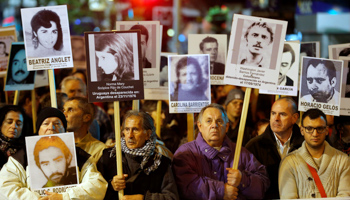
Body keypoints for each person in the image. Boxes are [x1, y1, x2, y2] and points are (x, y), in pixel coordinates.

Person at [0, 107, 108, 199]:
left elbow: (97, 186)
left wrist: (64, 197)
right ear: (38, 130)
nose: (51, 128)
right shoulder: (21, 157)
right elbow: (5, 186)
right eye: (45, 123)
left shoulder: (80, 156)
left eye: (57, 123)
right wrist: (36, 199)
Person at [172, 103, 269, 200]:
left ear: (226, 127)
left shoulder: (240, 152)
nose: (214, 125)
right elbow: (186, 187)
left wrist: (243, 180)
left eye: (219, 121)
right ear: (200, 126)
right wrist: (222, 191)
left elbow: (263, 184)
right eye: (209, 121)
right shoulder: (186, 153)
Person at [98, 110, 179, 199]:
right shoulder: (109, 157)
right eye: (127, 129)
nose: (130, 135)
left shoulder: (160, 163)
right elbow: (94, 192)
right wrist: (111, 186)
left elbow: (172, 197)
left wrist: (144, 198)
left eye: (135, 130)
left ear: (148, 134)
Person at [279, 108, 350, 198]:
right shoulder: (289, 162)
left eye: (319, 128)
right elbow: (288, 198)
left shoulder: (343, 160)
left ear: (327, 130)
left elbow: (345, 196)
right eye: (309, 128)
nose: (315, 134)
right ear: (302, 130)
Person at [245, 97, 304, 199]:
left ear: (294, 118)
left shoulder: (305, 145)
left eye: (282, 114)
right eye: (273, 113)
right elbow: (248, 184)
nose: (276, 118)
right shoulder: (254, 146)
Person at [60, 76, 114, 142]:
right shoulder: (56, 114)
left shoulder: (98, 112)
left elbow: (110, 137)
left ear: (86, 93)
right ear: (63, 95)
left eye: (80, 91)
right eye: (72, 91)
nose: (76, 94)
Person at [63, 97, 106, 163]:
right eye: (63, 110)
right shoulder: (57, 144)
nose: (64, 115)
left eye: (70, 110)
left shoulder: (99, 150)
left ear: (86, 117)